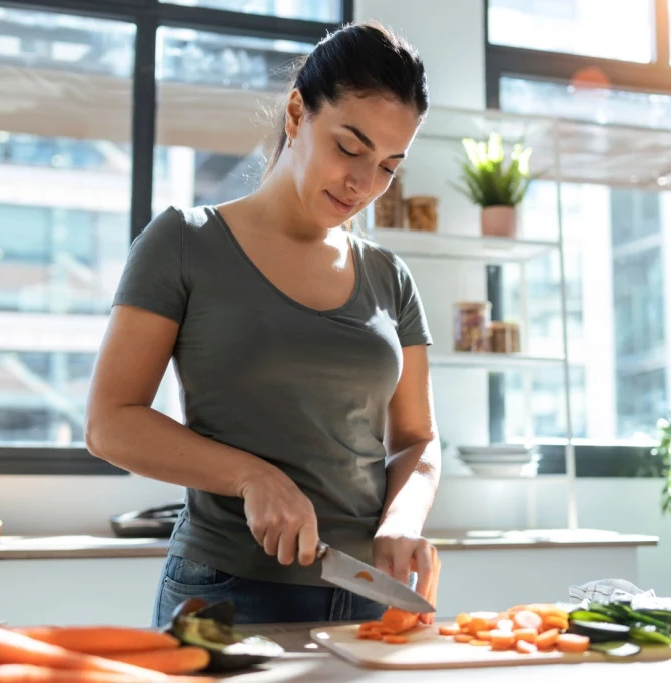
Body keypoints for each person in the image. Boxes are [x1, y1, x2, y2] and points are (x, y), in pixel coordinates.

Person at [85, 20, 441, 627]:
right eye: (349, 148)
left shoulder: (390, 276)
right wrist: (250, 477)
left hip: (366, 594)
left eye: (388, 166)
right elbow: (109, 423)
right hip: (225, 589)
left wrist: (402, 521)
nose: (363, 184)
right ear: (298, 113)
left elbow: (416, 439)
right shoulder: (183, 241)